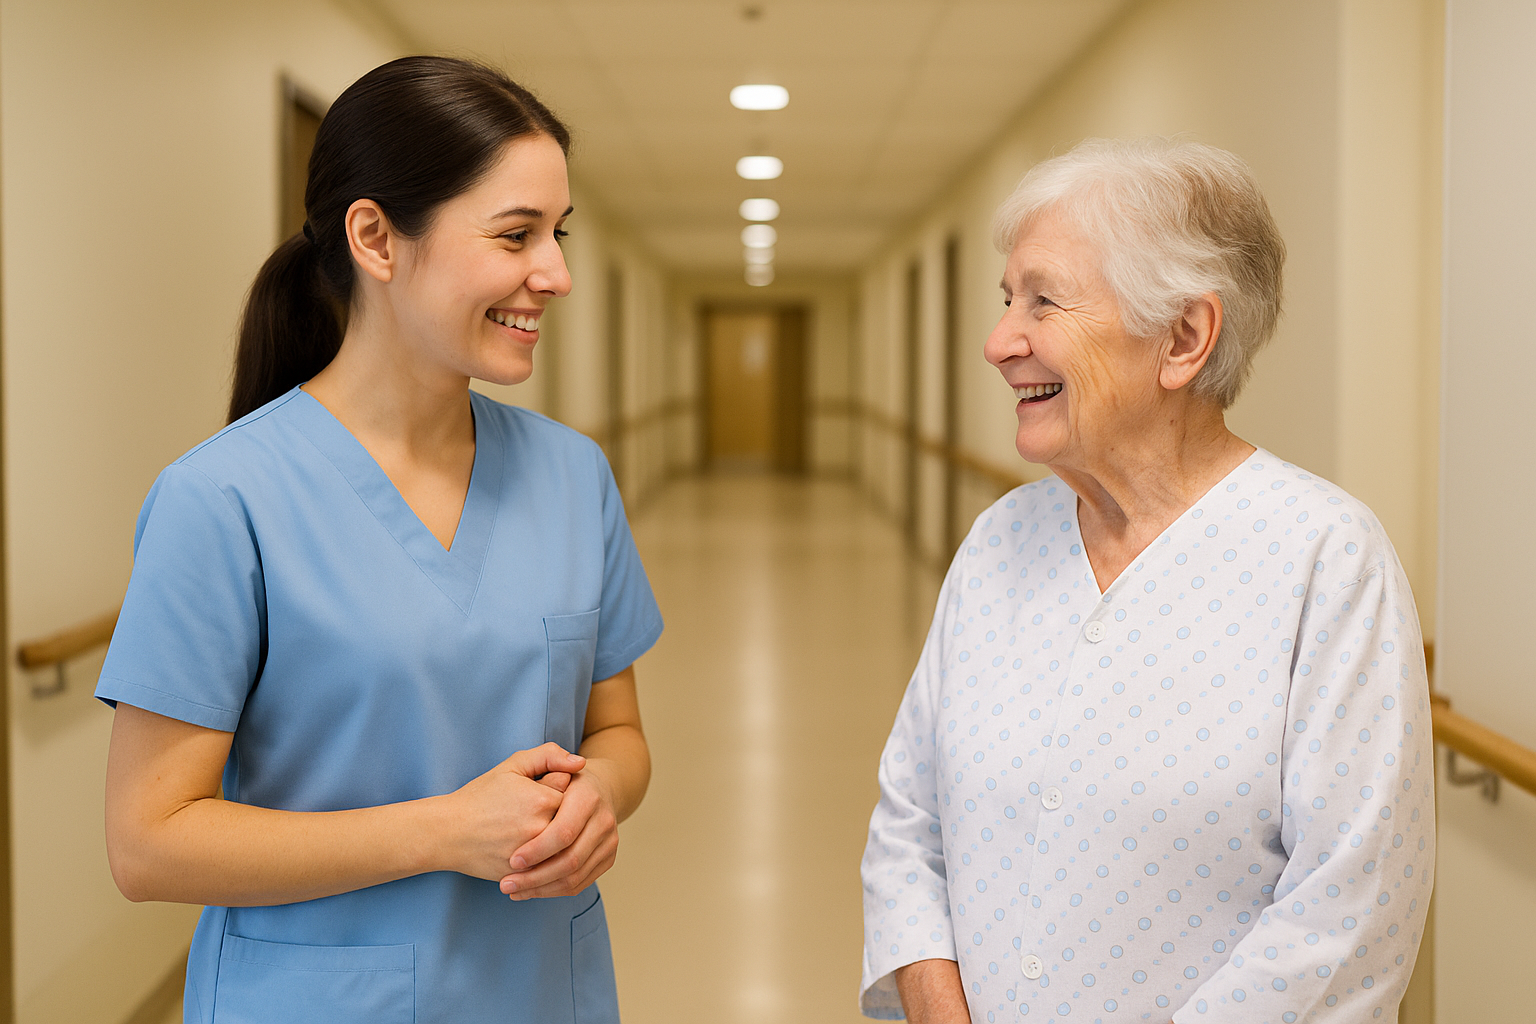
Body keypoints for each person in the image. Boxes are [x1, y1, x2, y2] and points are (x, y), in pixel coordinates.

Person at [98, 56, 662, 1024]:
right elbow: (149, 844)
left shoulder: (573, 477)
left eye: (557, 235)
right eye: (516, 234)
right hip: (317, 996)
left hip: (542, 986)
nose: (556, 274)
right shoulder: (224, 496)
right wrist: (446, 832)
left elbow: (617, 733)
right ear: (376, 238)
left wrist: (598, 796)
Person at [859, 137, 1433, 1023]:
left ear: (1184, 338)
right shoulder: (997, 543)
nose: (999, 341)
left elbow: (1348, 915)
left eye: (1043, 301)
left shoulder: (1325, 559)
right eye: (1007, 300)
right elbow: (909, 820)